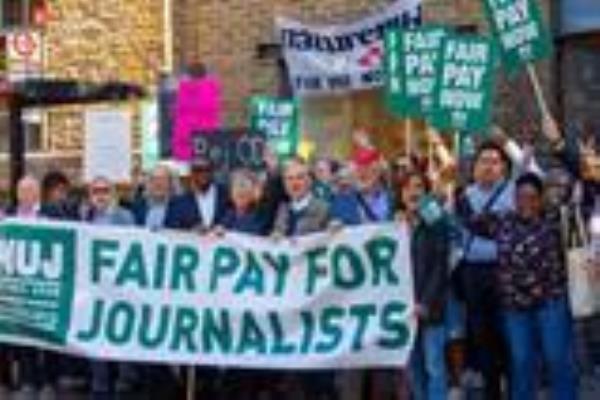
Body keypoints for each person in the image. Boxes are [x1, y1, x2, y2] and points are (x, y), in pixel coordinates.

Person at [467, 173, 578, 399]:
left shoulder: (555, 218)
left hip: (550, 302)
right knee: (521, 361)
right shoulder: (501, 220)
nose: (526, 203)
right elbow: (466, 219)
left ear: (541, 198)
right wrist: (449, 193)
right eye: (520, 197)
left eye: (532, 197)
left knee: (557, 358)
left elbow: (576, 184)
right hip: (515, 307)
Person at [272, 157, 336, 400]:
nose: (295, 183)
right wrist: (274, 238)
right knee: (292, 373)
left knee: (316, 376)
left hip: (315, 300)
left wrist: (335, 230)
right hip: (289, 300)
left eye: (300, 177)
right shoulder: (283, 209)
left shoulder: (323, 208)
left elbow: (334, 239)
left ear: (309, 180)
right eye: (290, 178)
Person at [454, 140, 514, 400]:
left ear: (503, 167)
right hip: (473, 274)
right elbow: (452, 232)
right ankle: (491, 390)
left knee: (506, 332)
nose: (488, 166)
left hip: (504, 271)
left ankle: (512, 386)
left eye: (494, 161)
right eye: (483, 161)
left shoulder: (514, 192)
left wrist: (510, 145)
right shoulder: (462, 196)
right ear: (474, 167)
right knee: (480, 335)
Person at [398, 171, 451, 400]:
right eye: (408, 187)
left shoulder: (436, 220)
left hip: (430, 307)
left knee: (434, 366)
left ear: (426, 192)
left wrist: (425, 302)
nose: (414, 192)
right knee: (413, 367)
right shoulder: (395, 223)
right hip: (403, 309)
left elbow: (440, 265)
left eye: (419, 186)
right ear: (401, 193)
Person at [83, 176, 136, 400]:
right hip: (94, 291)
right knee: (96, 341)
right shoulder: (85, 216)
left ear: (113, 193)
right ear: (90, 195)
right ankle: (100, 387)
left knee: (120, 337)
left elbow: (136, 245)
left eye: (105, 190)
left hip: (120, 290)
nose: (100, 194)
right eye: (96, 191)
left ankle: (124, 384)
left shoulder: (125, 216)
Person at [331, 147, 394, 225]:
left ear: (379, 173)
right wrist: (335, 226)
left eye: (371, 171)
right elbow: (337, 223)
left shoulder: (392, 198)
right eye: (359, 171)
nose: (363, 174)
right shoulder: (342, 201)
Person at [164, 156, 228, 232]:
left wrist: (223, 226)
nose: (203, 174)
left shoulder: (226, 195)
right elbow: (170, 229)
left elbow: (235, 220)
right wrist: (190, 231)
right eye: (198, 170)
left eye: (207, 169)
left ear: (213, 171)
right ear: (191, 173)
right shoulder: (179, 201)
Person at [131, 164, 174, 230]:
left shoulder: (182, 208)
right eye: (154, 179)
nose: (158, 183)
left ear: (170, 183)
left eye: (163, 179)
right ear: (148, 184)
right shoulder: (137, 207)